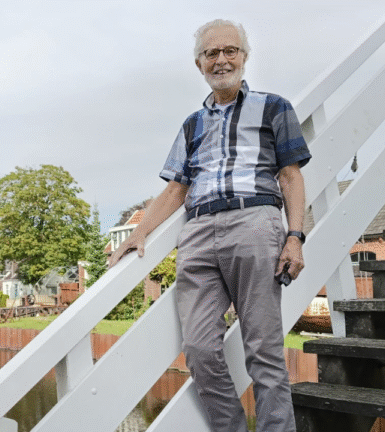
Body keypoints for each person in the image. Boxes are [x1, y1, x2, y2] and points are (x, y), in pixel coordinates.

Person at [108, 19, 311, 432]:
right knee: (199, 347)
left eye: (230, 51)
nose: (221, 60)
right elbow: (175, 190)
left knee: (264, 350)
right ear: (199, 63)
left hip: (254, 222)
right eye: (211, 54)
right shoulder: (191, 124)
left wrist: (295, 236)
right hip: (198, 233)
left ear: (244, 56)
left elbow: (290, 176)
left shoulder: (274, 107)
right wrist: (139, 231)